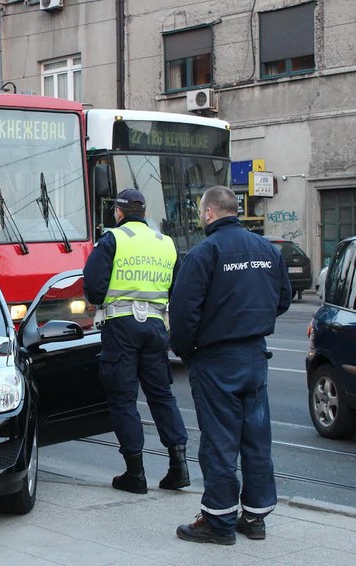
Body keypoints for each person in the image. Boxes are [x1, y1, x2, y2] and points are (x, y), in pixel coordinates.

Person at [170, 186, 291, 545]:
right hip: (255, 355)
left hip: (216, 359)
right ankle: (254, 518)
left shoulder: (204, 253)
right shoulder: (268, 250)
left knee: (220, 441)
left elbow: (183, 312)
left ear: (209, 213)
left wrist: (187, 352)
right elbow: (282, 299)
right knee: (256, 439)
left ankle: (218, 521)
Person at [83, 188, 189, 495]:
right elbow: (178, 289)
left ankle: (135, 473)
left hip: (120, 327)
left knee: (123, 398)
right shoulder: (165, 244)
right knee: (162, 396)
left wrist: (105, 300)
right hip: (156, 327)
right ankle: (178, 467)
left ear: (118, 212)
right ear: (144, 212)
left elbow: (93, 286)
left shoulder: (113, 239)